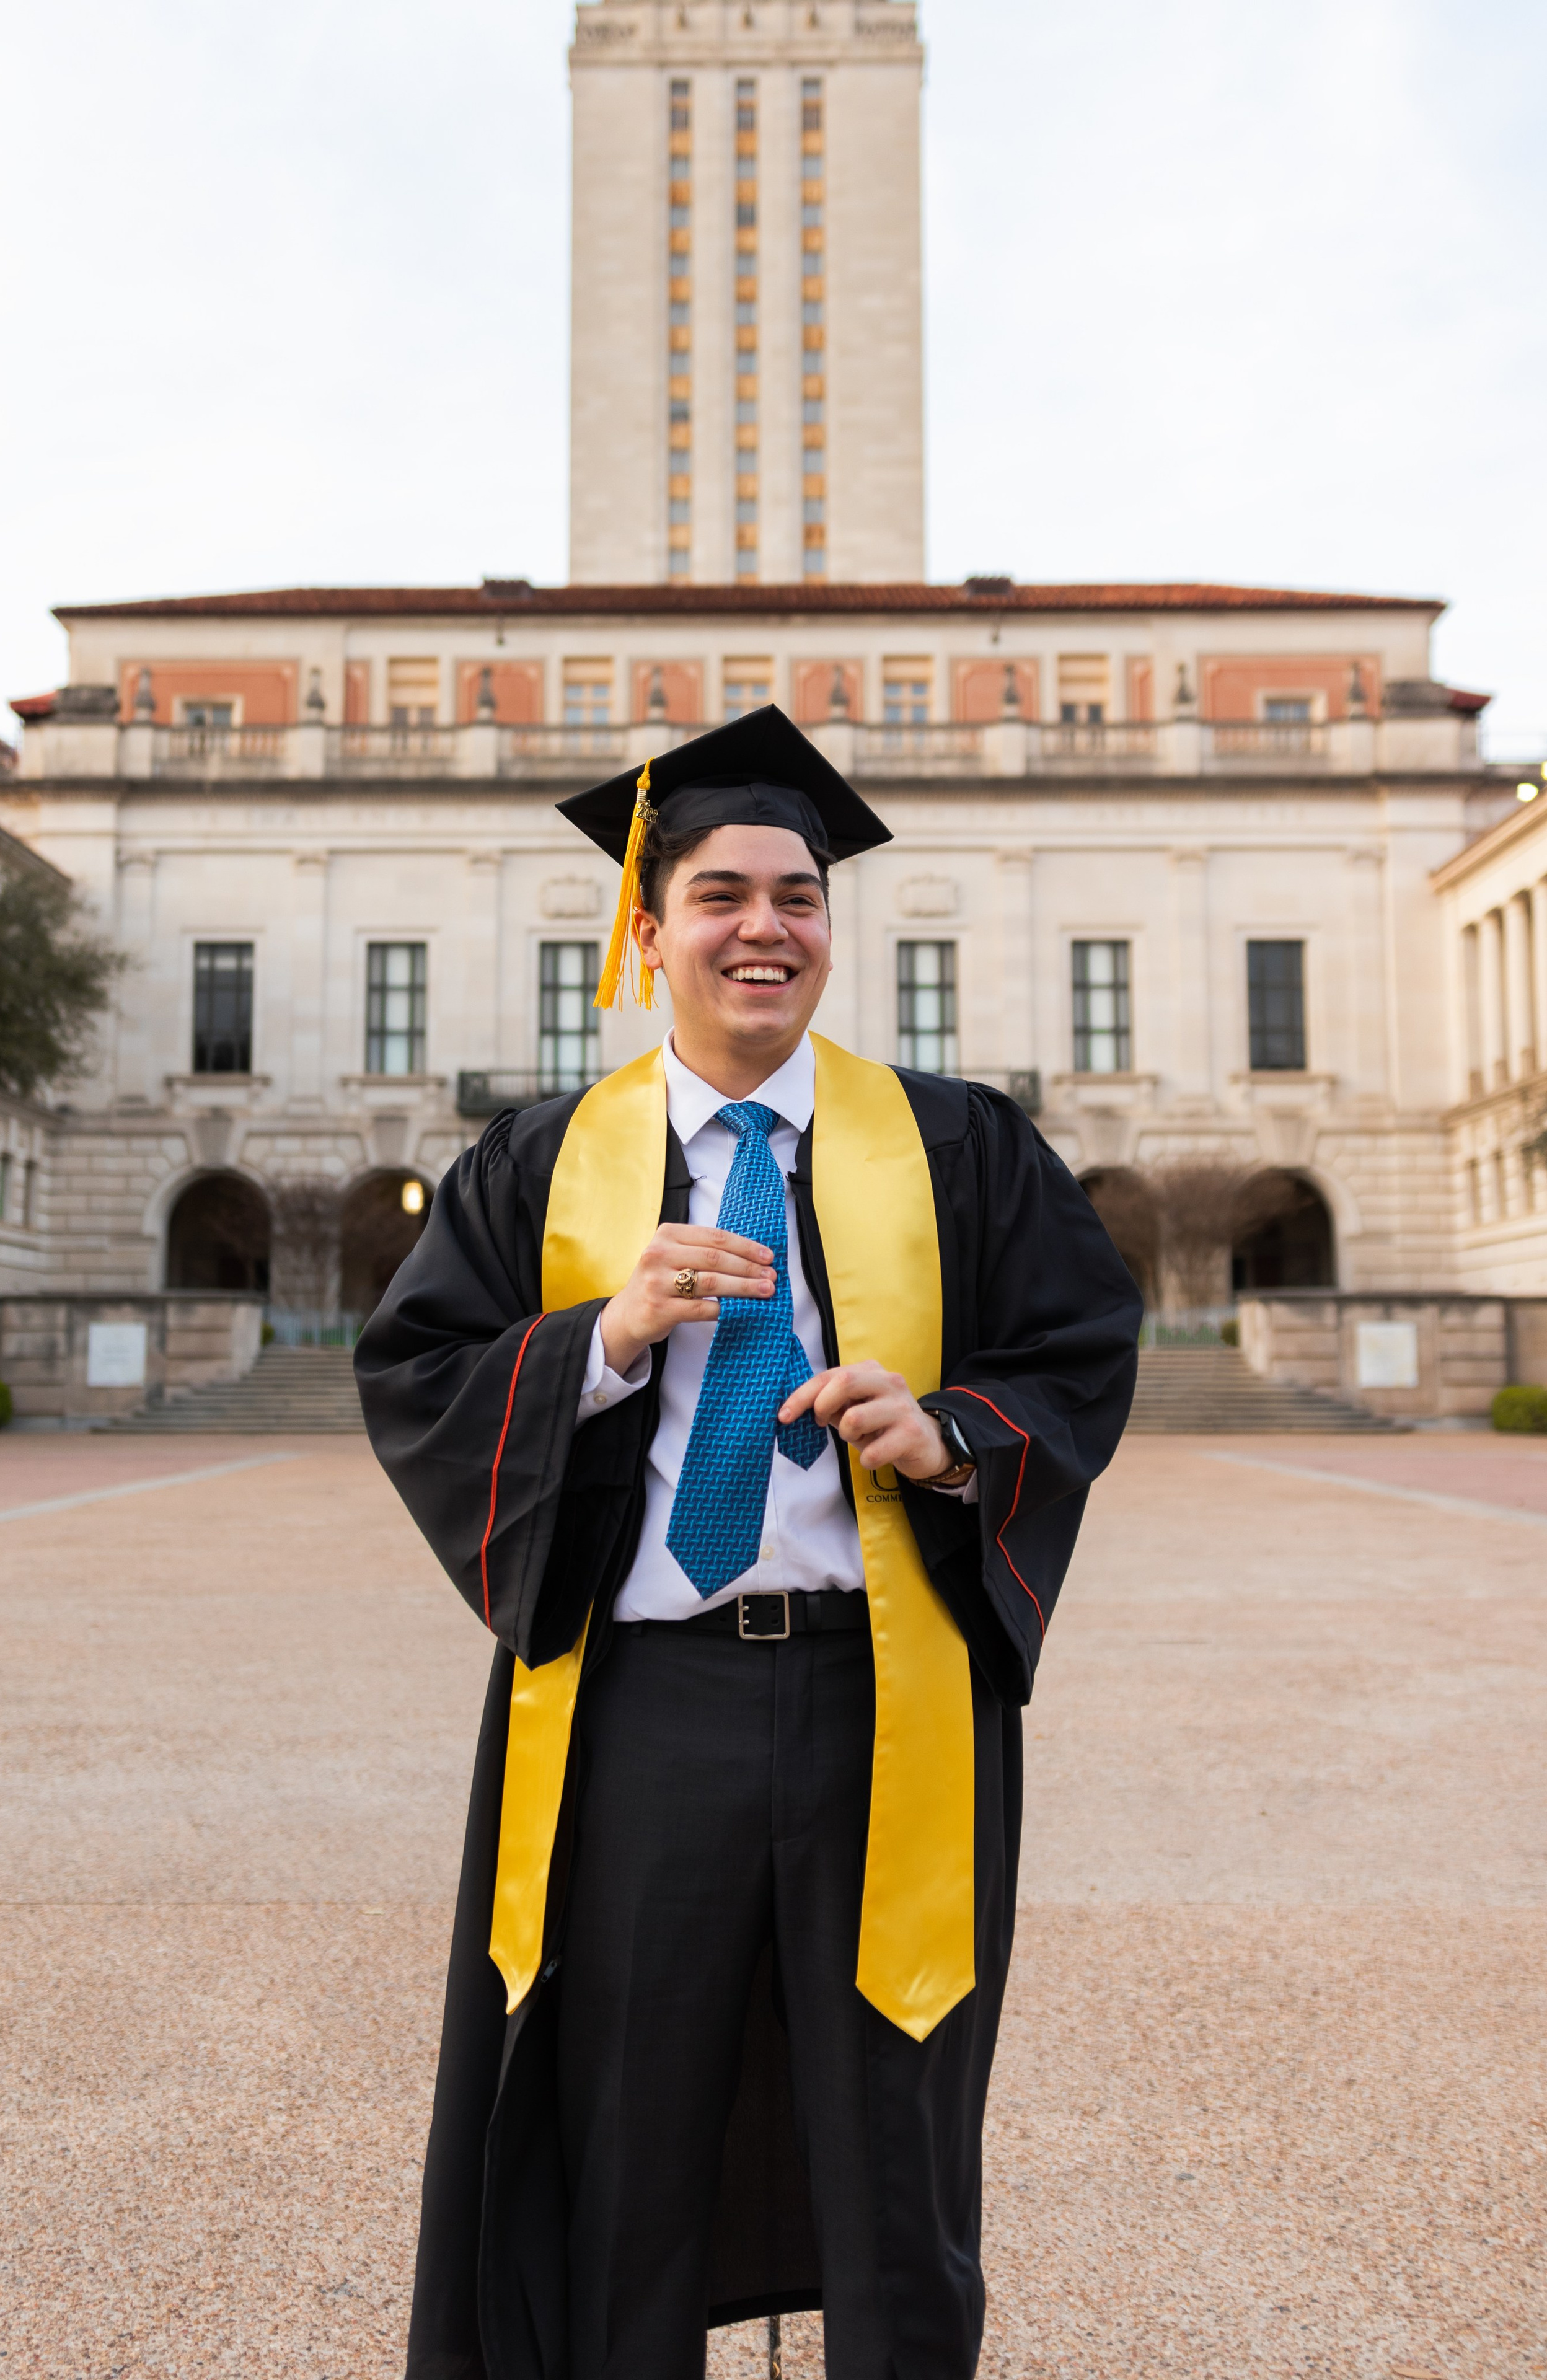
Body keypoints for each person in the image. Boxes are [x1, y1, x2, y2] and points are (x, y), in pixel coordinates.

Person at [356, 706, 1141, 2380]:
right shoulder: (538, 1167)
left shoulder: (959, 1147)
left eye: (798, 895)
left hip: (890, 1700)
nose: (765, 927)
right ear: (646, 932)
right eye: (720, 894)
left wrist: (954, 1436)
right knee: (624, 2126)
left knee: (896, 2132)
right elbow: (416, 1373)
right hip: (644, 1713)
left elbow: (1077, 1356)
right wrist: (604, 1337)